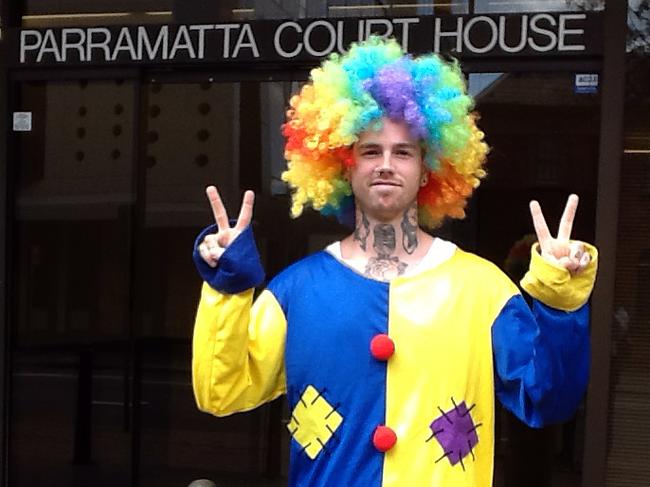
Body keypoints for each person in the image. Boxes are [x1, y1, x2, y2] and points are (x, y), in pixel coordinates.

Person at [191, 37, 598, 487]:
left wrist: (560, 300)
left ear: (428, 169)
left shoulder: (484, 290)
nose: (386, 164)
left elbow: (548, 399)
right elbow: (221, 392)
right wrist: (227, 286)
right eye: (369, 151)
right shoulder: (296, 292)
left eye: (403, 152)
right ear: (342, 166)